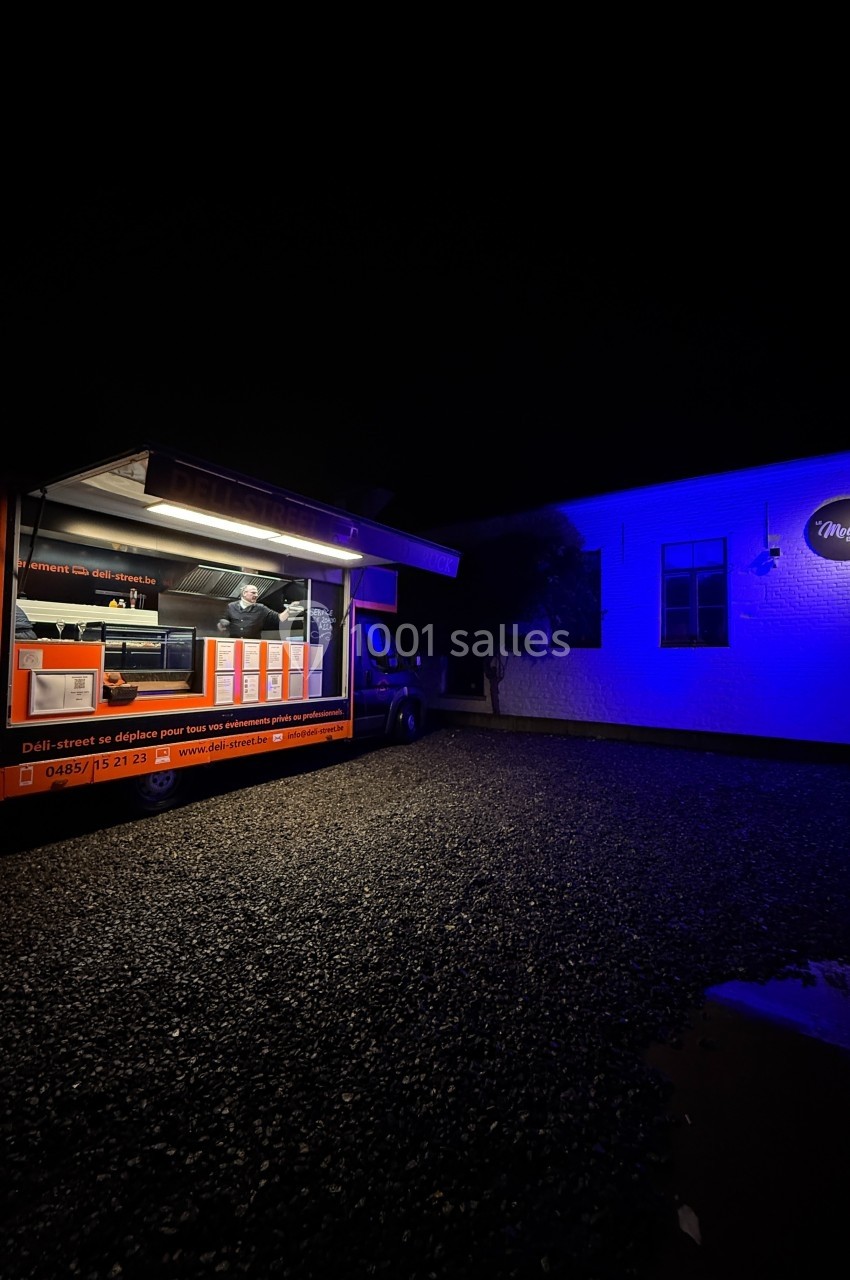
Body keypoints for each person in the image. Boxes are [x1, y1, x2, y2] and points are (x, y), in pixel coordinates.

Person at [216, 584, 292, 639]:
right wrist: (221, 625)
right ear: (244, 593)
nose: (256, 595)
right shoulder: (231, 606)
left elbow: (280, 618)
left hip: (253, 646)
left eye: (257, 593)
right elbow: (223, 622)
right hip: (234, 645)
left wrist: (289, 610)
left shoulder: (261, 608)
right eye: (253, 592)